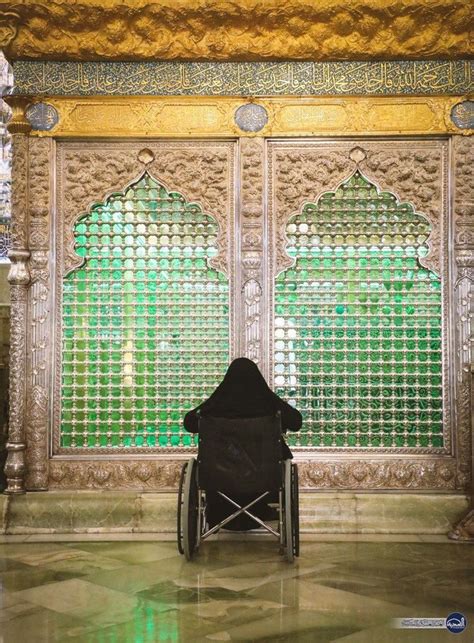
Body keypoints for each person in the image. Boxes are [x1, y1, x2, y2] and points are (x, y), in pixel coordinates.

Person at [183, 357, 302, 530]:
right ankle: (259, 509)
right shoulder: (268, 402)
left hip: (219, 483)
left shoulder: (216, 404)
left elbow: (189, 423)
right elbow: (296, 422)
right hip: (264, 483)